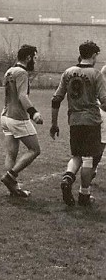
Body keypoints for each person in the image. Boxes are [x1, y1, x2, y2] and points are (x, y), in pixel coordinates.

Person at [50, 41, 105, 206]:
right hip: (91, 121)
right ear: (94, 56)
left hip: (74, 121)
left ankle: (68, 177)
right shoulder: (96, 74)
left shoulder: (68, 72)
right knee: (88, 159)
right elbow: (104, 101)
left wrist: (54, 124)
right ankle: (84, 195)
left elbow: (56, 99)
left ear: (80, 54)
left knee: (76, 156)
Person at [0, 44, 43, 197]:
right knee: (35, 150)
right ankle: (10, 176)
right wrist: (34, 113)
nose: (35, 62)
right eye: (35, 58)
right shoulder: (22, 73)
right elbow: (22, 96)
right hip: (18, 117)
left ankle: (14, 188)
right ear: (28, 57)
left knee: (11, 154)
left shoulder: (9, 71)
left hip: (5, 116)